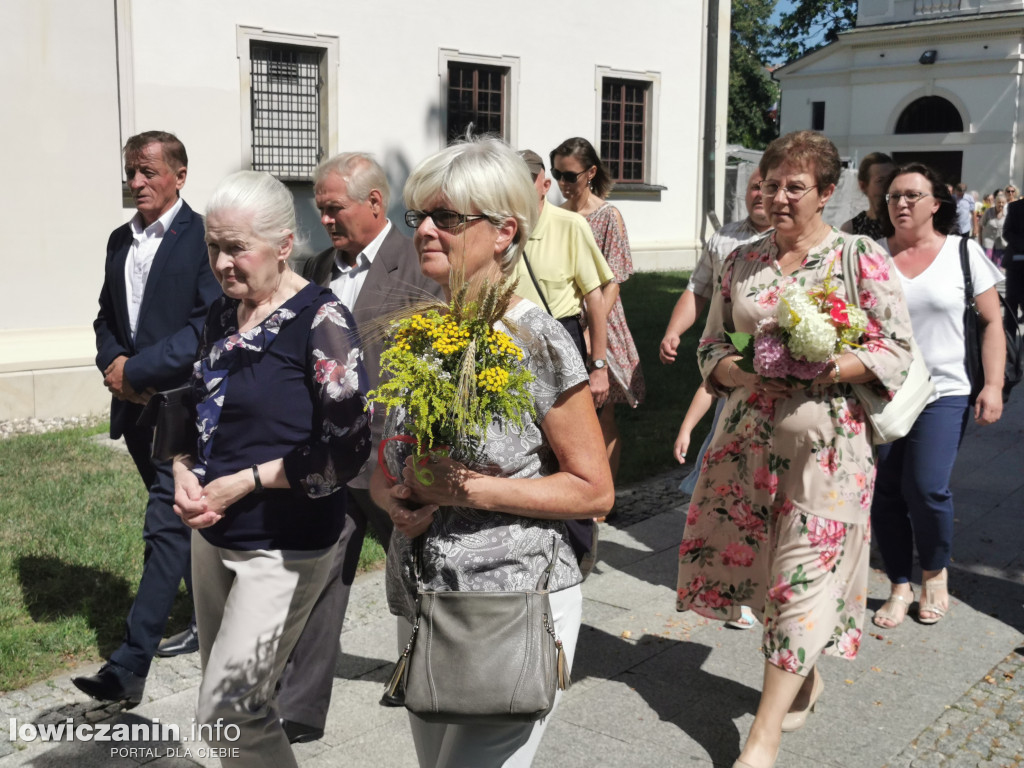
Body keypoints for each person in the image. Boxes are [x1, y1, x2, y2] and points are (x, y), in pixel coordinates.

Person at [675, 130, 914, 768]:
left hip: (828, 450)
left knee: (800, 580)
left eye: (795, 187)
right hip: (745, 447)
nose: (778, 197)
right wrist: (738, 372)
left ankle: (763, 736)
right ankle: (801, 672)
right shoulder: (741, 261)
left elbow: (895, 349)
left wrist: (830, 365)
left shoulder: (856, 258)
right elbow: (711, 347)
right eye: (771, 184)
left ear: (827, 194)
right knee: (762, 574)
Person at [372, 136, 614, 767]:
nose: (424, 230)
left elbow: (594, 490)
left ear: (505, 230)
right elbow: (390, 458)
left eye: (446, 218)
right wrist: (399, 498)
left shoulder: (536, 338)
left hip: (511, 603)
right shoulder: (427, 329)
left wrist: (470, 489)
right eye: (419, 216)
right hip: (426, 596)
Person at [172, 171, 370, 767]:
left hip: (283, 545)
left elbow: (346, 448)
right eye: (214, 247)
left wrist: (249, 480)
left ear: (284, 245)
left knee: (228, 711)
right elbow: (192, 403)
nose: (223, 262)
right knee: (235, 709)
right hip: (213, 533)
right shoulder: (222, 314)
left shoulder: (322, 320)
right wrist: (183, 468)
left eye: (238, 247)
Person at [274, 152, 443, 744]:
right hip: (329, 455)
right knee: (322, 575)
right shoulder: (317, 267)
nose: (325, 220)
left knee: (414, 570)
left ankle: (427, 674)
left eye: (334, 208)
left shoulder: (420, 266)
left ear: (376, 204)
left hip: (393, 454)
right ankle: (300, 707)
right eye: (320, 209)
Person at [77, 131, 221, 707]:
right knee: (186, 531)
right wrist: (112, 361)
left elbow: (207, 324)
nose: (136, 182)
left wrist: (137, 369)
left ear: (180, 176)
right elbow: (105, 315)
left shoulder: (203, 238)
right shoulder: (119, 240)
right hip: (136, 410)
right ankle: (220, 623)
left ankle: (128, 666)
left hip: (183, 406)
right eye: (130, 172)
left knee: (164, 527)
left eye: (148, 172)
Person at [870, 163, 1005, 630]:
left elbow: (992, 322)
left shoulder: (963, 253)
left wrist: (991, 384)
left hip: (944, 390)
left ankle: (934, 571)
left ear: (936, 203)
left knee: (925, 487)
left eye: (911, 195)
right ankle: (898, 584)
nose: (901, 203)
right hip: (882, 391)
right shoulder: (870, 255)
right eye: (893, 197)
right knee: (885, 491)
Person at [550, 136, 645, 482]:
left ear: (590, 173)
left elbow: (615, 280)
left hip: (601, 317)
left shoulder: (608, 216)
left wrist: (592, 329)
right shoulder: (557, 216)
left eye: (569, 176)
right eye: (557, 174)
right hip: (563, 319)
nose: (562, 183)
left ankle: (602, 498)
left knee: (602, 413)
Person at [840, 152, 895, 240]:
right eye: (880, 181)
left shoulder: (903, 223)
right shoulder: (853, 229)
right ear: (863, 186)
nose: (888, 185)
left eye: (892, 179)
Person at [1000, 185, 1024, 325]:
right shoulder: (1015, 207)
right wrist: (1021, 245)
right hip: (1015, 264)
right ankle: (1009, 343)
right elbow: (1007, 232)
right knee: (1011, 304)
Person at [980, 191, 1009, 267]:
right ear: (995, 202)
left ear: (1005, 203)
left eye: (1003, 203)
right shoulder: (988, 212)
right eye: (999, 202)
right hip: (988, 241)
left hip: (1001, 243)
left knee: (998, 265)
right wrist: (980, 241)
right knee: (986, 263)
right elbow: (980, 225)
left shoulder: (1007, 214)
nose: (1001, 204)